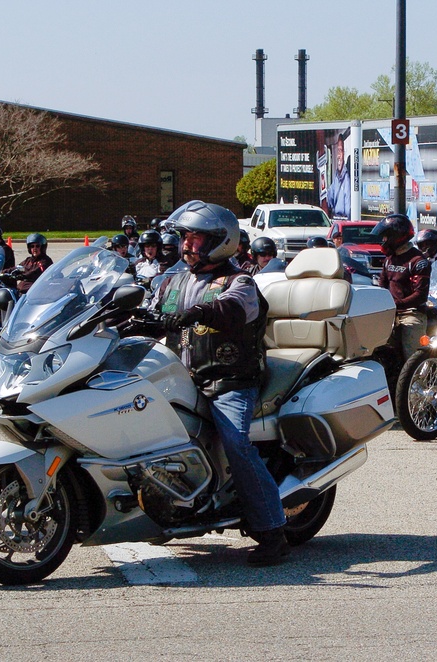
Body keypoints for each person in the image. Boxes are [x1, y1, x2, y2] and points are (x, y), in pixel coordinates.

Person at [147, 200, 288, 563]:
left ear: (220, 241)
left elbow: (235, 309)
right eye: (185, 238)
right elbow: (152, 314)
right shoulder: (173, 280)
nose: (187, 245)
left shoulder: (240, 282)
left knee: (236, 444)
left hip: (227, 382)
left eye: (196, 238)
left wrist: (201, 311)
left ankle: (272, 530)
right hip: (178, 377)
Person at [372, 214, 431, 363]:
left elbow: (420, 295)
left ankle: (417, 381)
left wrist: (397, 304)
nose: (383, 241)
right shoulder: (389, 259)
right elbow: (382, 285)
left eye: (386, 237)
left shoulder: (418, 261)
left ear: (397, 237)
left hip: (411, 313)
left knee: (412, 355)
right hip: (389, 312)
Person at [326, 133, 351, 220]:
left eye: (340, 151)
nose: (338, 156)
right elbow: (329, 201)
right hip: (337, 220)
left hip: (348, 221)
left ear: (345, 152)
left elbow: (349, 209)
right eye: (337, 151)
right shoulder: (337, 178)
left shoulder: (349, 178)